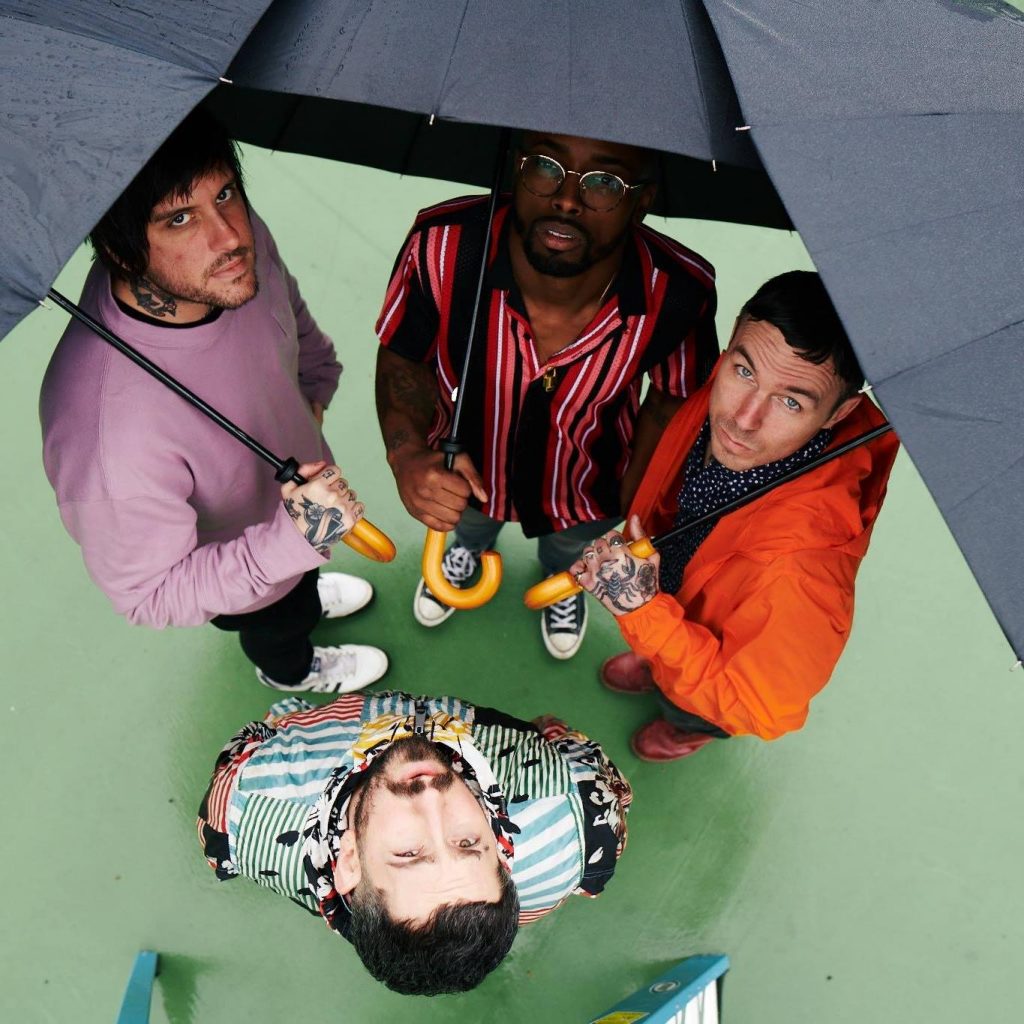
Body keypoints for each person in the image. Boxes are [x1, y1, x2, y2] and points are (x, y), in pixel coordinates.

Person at [40, 110, 387, 693]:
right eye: (179, 218)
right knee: (279, 624)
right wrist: (288, 546)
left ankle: (302, 588)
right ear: (119, 250)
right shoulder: (105, 434)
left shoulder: (225, 258)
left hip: (300, 513)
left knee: (299, 586)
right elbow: (150, 594)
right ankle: (291, 670)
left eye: (224, 193)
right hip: (248, 577)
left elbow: (285, 308)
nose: (229, 236)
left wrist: (315, 381)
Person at [375, 131, 718, 660]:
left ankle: (562, 575)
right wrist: (407, 454)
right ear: (514, 166)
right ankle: (468, 551)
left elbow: (672, 399)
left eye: (605, 182)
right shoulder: (442, 245)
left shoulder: (679, 291)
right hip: (463, 465)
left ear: (642, 201)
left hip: (587, 481)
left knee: (570, 547)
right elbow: (403, 354)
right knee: (466, 521)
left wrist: (635, 505)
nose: (566, 199)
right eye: (545, 166)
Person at [569, 271, 900, 761]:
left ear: (838, 414)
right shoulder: (729, 386)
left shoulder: (805, 573)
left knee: (689, 705)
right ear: (732, 345)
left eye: (790, 401)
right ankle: (659, 668)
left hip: (713, 681)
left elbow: (755, 706)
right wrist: (651, 618)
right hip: (675, 594)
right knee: (663, 658)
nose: (742, 419)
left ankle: (684, 729)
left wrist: (644, 615)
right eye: (744, 371)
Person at [197, 689, 632, 995]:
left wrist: (290, 720)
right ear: (502, 852)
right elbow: (572, 748)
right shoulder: (578, 813)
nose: (431, 799)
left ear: (348, 861)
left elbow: (258, 737)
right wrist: (548, 732)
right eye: (467, 842)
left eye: (409, 853)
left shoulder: (245, 808)